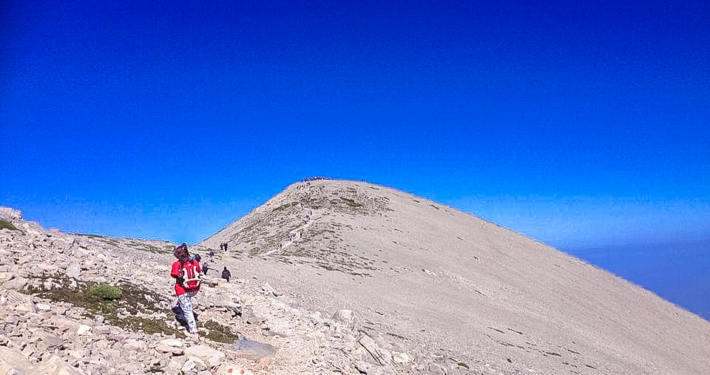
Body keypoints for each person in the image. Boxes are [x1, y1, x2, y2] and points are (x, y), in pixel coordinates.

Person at [171, 243, 202, 335]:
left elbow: (174, 275)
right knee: (186, 302)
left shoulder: (177, 264)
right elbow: (199, 271)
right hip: (195, 289)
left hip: (183, 290)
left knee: (187, 310)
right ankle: (182, 306)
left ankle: (193, 330)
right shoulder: (195, 262)